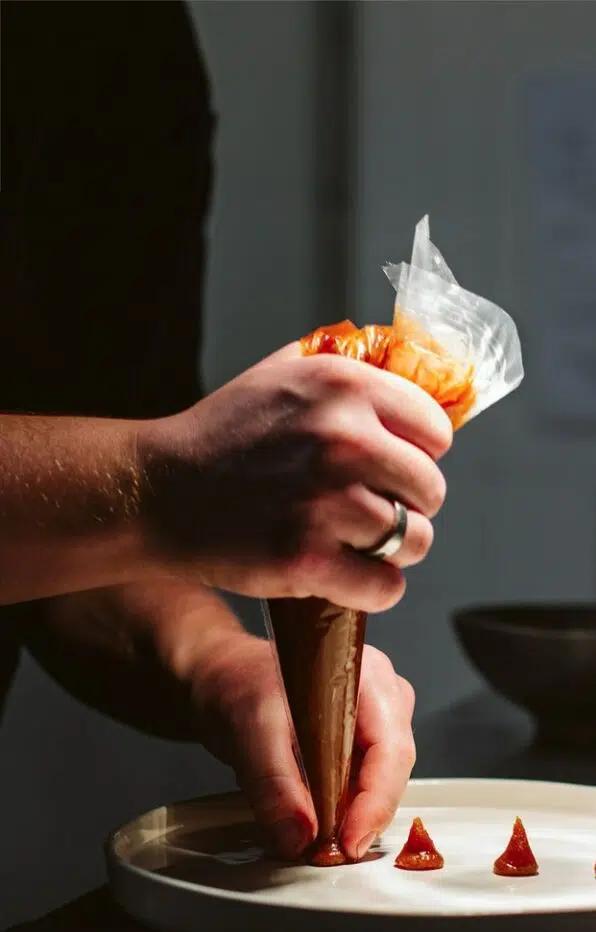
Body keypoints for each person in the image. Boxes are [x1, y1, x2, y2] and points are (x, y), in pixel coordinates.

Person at [0, 0, 451, 863]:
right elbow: (129, 484)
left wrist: (222, 665)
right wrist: (162, 484)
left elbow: (71, 523)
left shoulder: (126, 46)